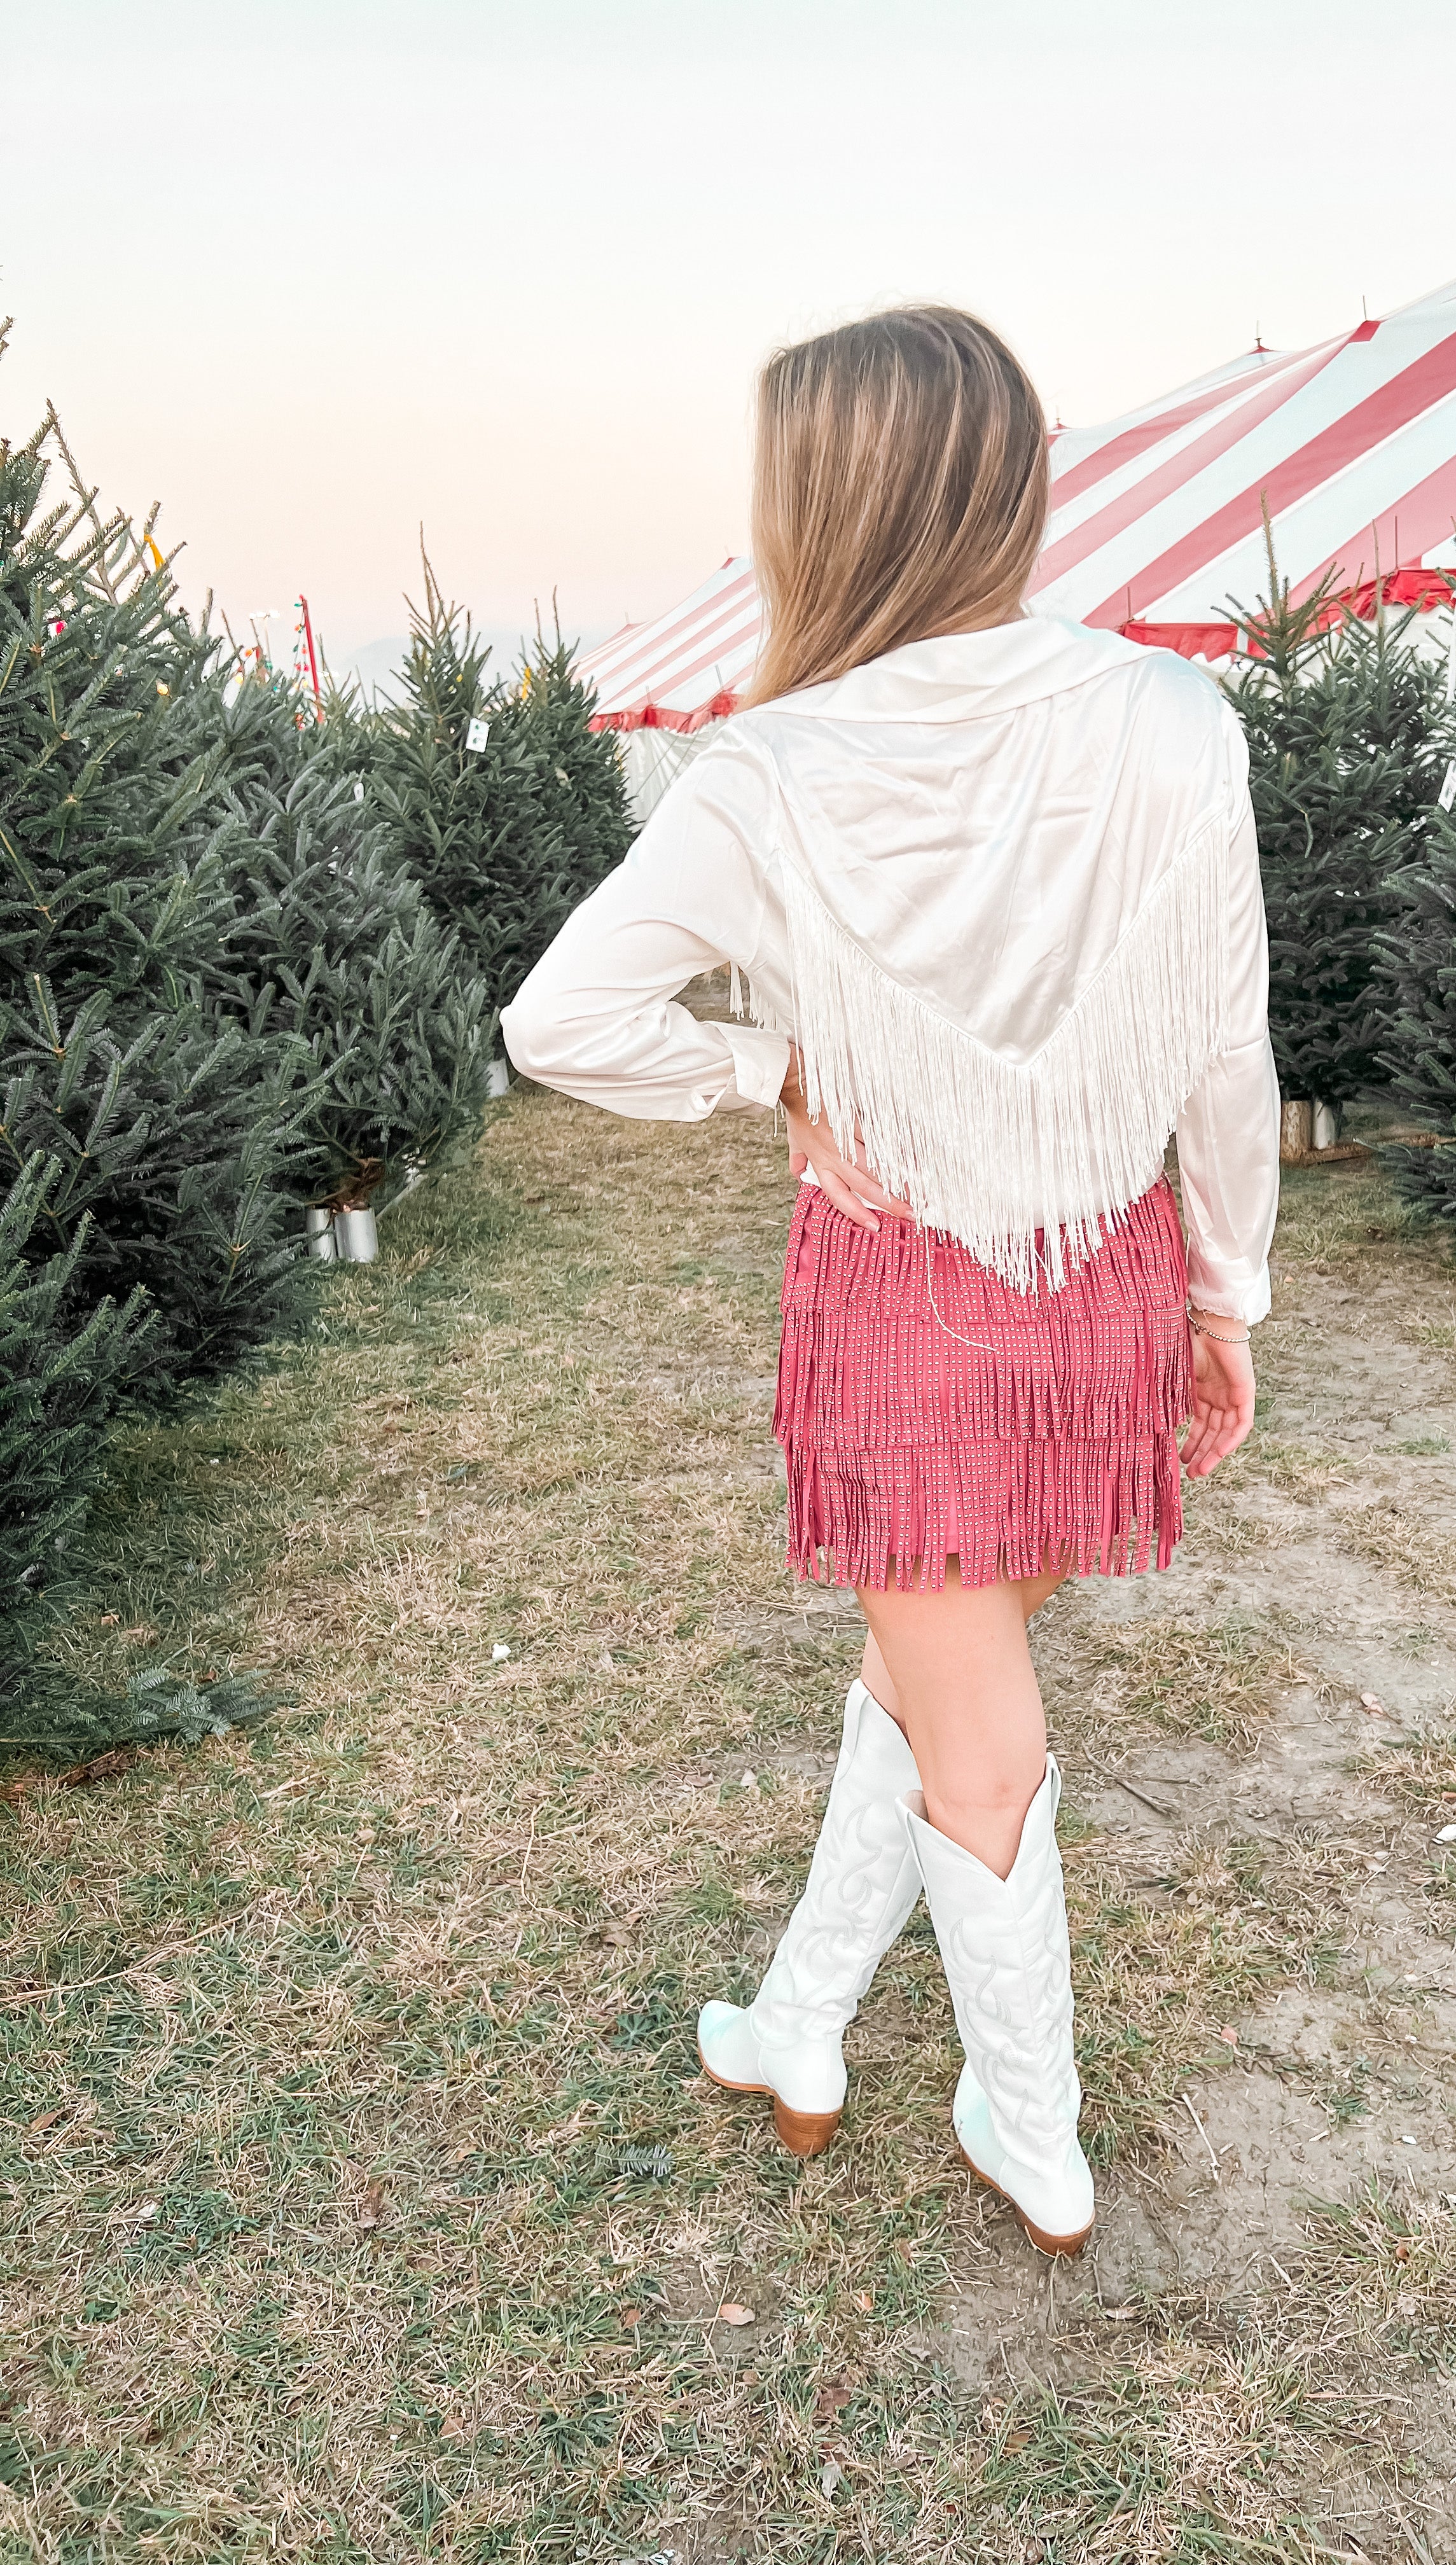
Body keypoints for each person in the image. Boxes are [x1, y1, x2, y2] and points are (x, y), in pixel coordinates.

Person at [503, 306, 1279, 2259]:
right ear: (1009, 479)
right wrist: (1226, 1292)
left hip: (914, 1303)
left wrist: (769, 1075)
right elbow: (1224, 1056)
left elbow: (557, 1021)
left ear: (816, 509)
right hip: (1097, 1269)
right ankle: (802, 2023)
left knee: (973, 1713)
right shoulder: (1177, 718)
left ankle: (1035, 2119)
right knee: (927, 1673)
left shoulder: (763, 769)